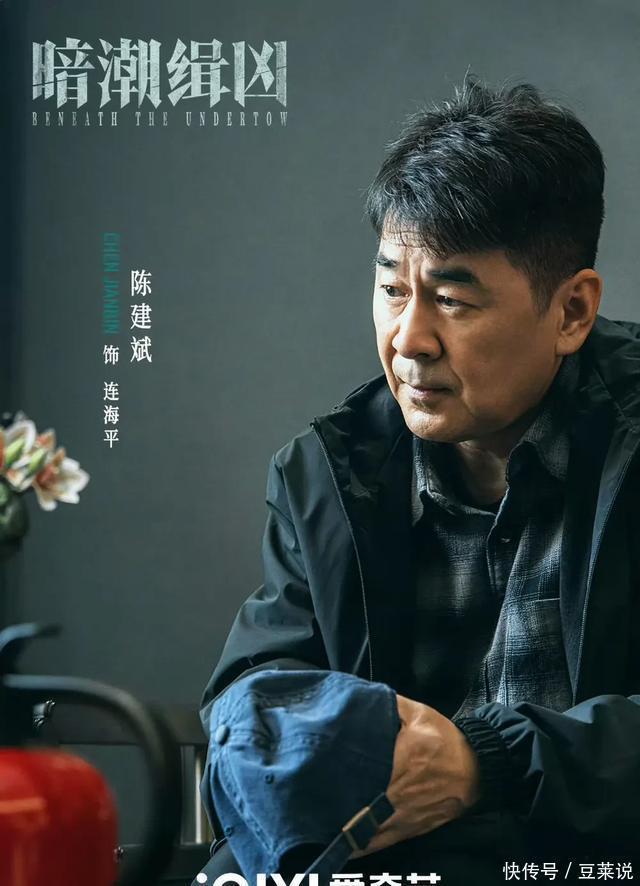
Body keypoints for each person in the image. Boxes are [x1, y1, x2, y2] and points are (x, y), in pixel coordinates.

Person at [196, 74, 640, 884]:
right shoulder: (330, 476)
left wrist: (487, 763)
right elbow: (254, 694)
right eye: (393, 289)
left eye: (452, 301)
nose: (409, 339)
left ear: (571, 312)